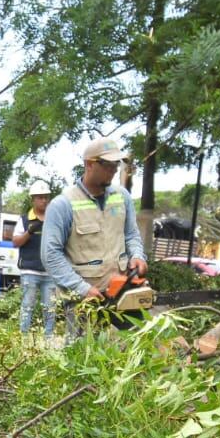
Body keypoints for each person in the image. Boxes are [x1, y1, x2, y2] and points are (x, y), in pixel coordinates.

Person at [43, 138, 147, 333]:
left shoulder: (122, 197)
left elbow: (131, 235)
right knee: (83, 355)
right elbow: (51, 255)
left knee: (138, 342)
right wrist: (81, 288)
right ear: (89, 164)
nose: (114, 170)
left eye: (116, 164)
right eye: (107, 164)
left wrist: (137, 256)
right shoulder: (63, 205)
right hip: (85, 296)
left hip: (121, 287)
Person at [14, 180, 56, 337]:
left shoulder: (54, 219)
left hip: (50, 272)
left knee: (50, 307)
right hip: (30, 270)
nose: (44, 200)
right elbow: (15, 242)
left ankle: (48, 339)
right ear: (33, 199)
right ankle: (23, 338)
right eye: (40, 197)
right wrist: (29, 232)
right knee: (27, 306)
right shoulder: (25, 220)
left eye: (46, 197)